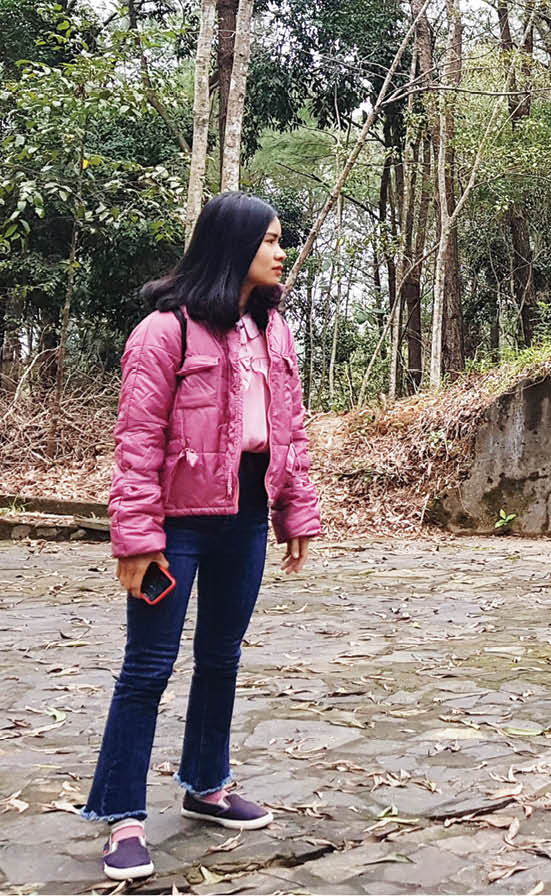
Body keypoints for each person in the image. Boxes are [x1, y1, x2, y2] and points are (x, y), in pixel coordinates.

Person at [81, 192, 321, 881]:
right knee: (147, 669)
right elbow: (136, 441)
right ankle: (122, 816)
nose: (282, 252)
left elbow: (290, 429)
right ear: (233, 245)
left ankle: (206, 787)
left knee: (220, 657)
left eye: (283, 240)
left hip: (245, 518)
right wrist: (136, 537)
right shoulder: (164, 331)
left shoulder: (273, 331)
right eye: (272, 239)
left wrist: (294, 513)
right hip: (175, 528)